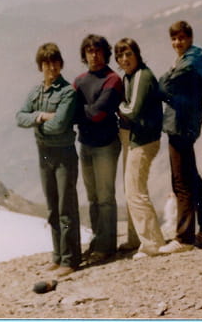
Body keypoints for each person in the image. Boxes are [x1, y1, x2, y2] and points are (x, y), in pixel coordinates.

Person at [16, 42, 81, 277]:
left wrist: (36, 123)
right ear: (40, 66)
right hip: (44, 154)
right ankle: (58, 255)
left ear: (61, 64)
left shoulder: (67, 92)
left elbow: (60, 125)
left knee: (66, 206)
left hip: (63, 154)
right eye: (46, 63)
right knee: (53, 207)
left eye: (55, 62)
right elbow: (19, 117)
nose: (51, 67)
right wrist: (42, 116)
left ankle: (70, 259)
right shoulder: (36, 92)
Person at [157, 20, 202, 254]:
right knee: (190, 175)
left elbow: (164, 88)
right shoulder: (188, 60)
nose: (177, 42)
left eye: (181, 38)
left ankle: (184, 238)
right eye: (174, 39)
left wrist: (168, 75)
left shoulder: (188, 63)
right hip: (183, 122)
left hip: (181, 123)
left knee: (181, 180)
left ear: (190, 38)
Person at [114, 38, 166, 259]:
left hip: (144, 140)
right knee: (132, 189)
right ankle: (141, 238)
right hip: (139, 138)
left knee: (135, 190)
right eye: (120, 55)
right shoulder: (130, 77)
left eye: (129, 54)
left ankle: (152, 243)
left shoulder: (142, 76)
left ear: (137, 55)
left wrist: (116, 105)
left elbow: (132, 110)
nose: (125, 59)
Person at [73, 34, 123, 262]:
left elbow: (98, 113)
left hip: (105, 144)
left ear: (105, 53)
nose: (94, 55)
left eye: (98, 50)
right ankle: (97, 242)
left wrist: (79, 112)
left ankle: (106, 246)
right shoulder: (80, 80)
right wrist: (83, 112)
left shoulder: (112, 80)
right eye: (89, 51)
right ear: (84, 55)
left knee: (105, 197)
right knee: (93, 197)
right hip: (86, 144)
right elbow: (73, 109)